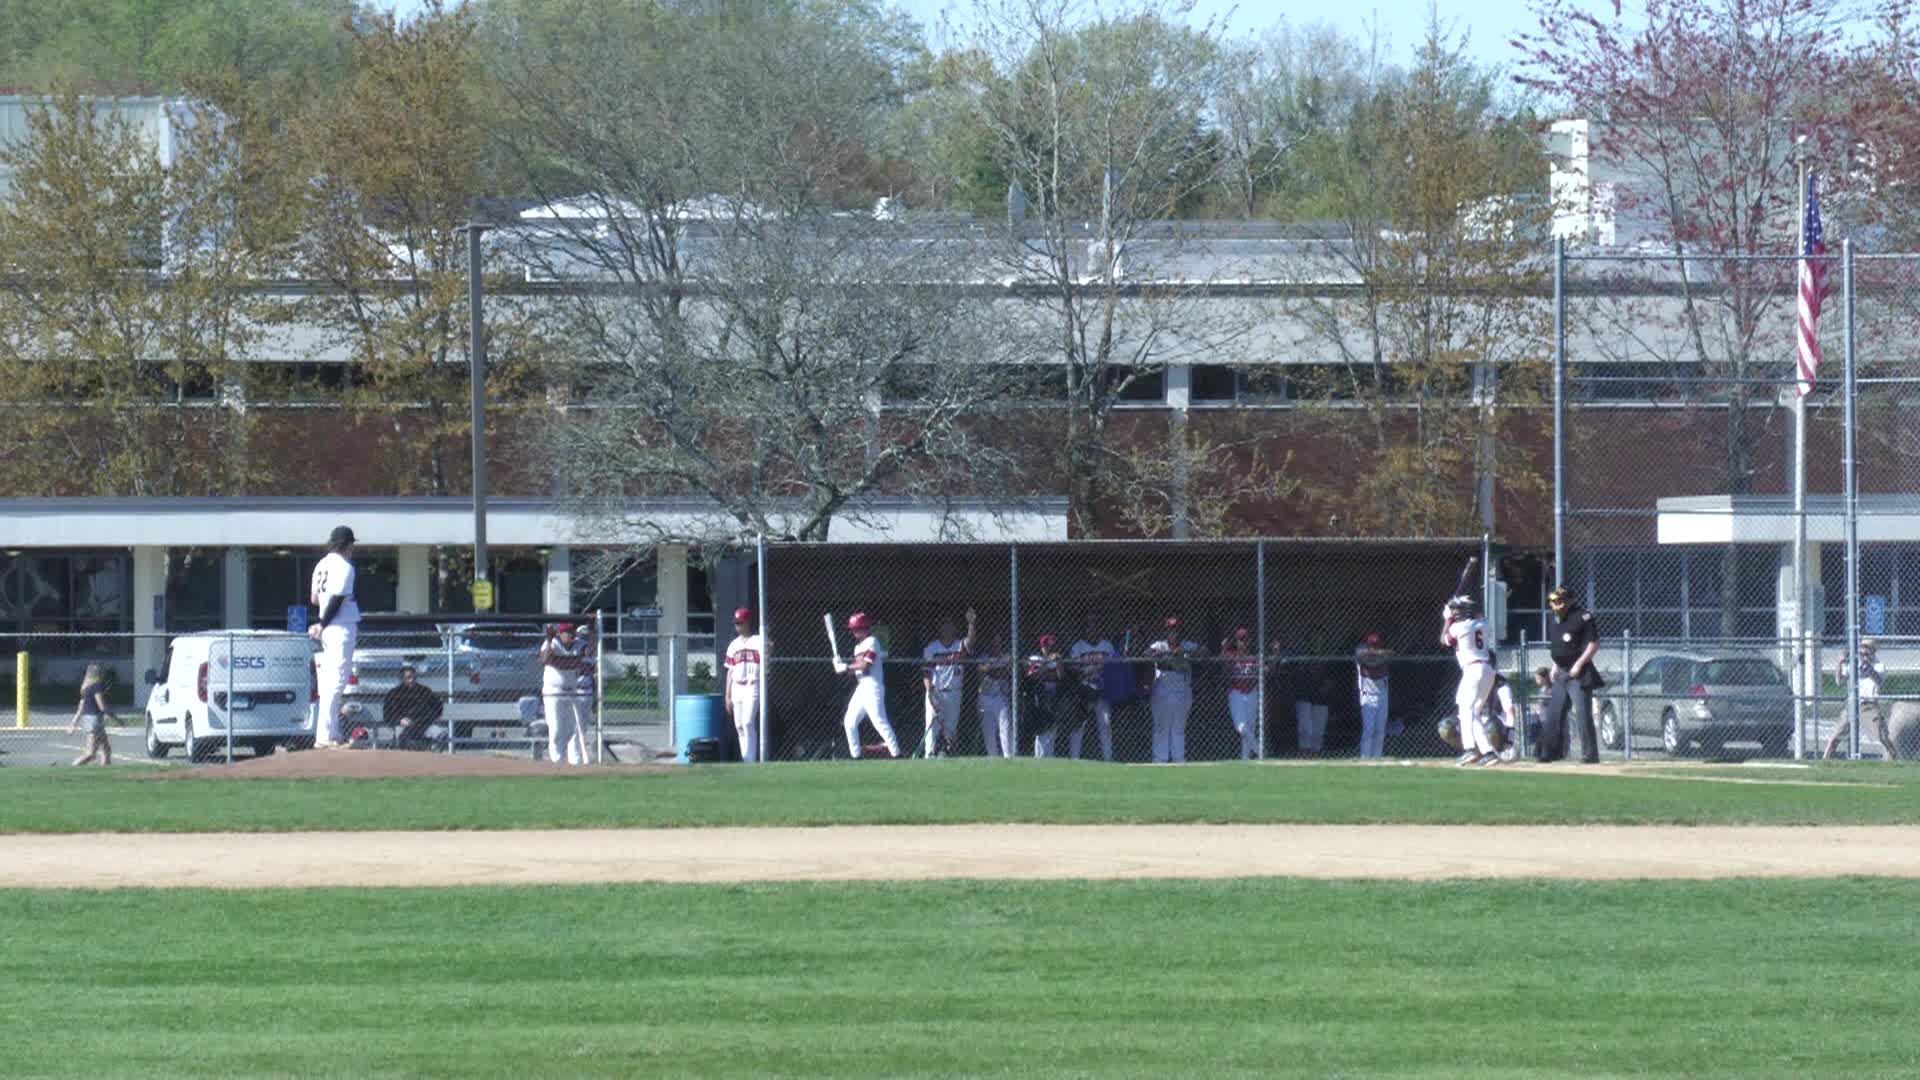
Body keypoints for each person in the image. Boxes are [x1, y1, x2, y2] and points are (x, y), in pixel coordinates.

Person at [306, 525, 360, 748]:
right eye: (351, 545)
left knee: (330, 683)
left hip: (329, 630)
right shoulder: (345, 566)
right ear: (346, 545)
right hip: (339, 627)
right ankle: (326, 736)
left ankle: (329, 734)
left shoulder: (321, 565)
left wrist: (322, 624)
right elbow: (337, 600)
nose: (352, 549)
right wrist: (322, 623)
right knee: (336, 683)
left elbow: (315, 600)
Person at [1543, 586, 1603, 764]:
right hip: (1560, 671)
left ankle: (1589, 754)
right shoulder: (1553, 620)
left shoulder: (1583, 617)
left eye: (1560, 601)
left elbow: (1593, 644)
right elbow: (1560, 648)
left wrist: (1578, 664)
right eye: (1554, 602)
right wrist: (1554, 666)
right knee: (1555, 714)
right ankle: (1553, 752)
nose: (1556, 605)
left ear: (1570, 600)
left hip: (1579, 672)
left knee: (1583, 714)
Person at [1442, 595, 1499, 766]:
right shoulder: (1484, 623)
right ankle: (1488, 752)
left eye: (1459, 610)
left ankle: (1469, 750)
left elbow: (1444, 640)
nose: (1455, 612)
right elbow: (1477, 612)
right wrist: (1460, 605)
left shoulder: (1459, 627)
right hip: (1487, 670)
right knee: (1473, 712)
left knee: (1465, 710)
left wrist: (1447, 619)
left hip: (1473, 670)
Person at [837, 612, 901, 758]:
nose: (853, 631)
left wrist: (847, 667)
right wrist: (840, 666)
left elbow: (866, 664)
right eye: (853, 628)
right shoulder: (856, 647)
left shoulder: (873, 641)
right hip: (861, 687)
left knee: (879, 721)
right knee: (849, 721)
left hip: (873, 686)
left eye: (857, 628)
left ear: (865, 628)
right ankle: (856, 756)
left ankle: (897, 754)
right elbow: (855, 670)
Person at [1827, 638, 1897, 760]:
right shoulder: (1854, 665)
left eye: (1866, 652)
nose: (1863, 655)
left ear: (1873, 652)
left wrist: (1867, 665)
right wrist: (1840, 662)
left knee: (1882, 736)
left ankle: (1894, 756)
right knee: (1835, 737)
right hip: (1852, 704)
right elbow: (1839, 681)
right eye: (1861, 652)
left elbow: (1878, 680)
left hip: (1869, 705)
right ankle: (1824, 762)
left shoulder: (1879, 666)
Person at [1147, 617, 1204, 763]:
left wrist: (1184, 652)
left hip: (1182, 691)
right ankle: (1160, 761)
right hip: (1162, 691)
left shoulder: (1187, 645)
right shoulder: (1160, 644)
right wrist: (1168, 655)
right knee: (1161, 728)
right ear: (1166, 631)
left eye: (1176, 630)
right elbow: (1147, 653)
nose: (1174, 633)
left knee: (1178, 729)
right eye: (1170, 629)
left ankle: (1179, 761)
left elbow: (1204, 651)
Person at [921, 609, 975, 758]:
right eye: (944, 624)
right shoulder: (931, 648)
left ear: (954, 628)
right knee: (932, 728)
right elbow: (926, 673)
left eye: (950, 625)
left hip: (954, 693)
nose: (947, 628)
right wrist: (930, 693)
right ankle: (928, 756)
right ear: (939, 628)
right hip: (936, 692)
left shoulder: (959, 645)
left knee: (950, 730)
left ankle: (948, 755)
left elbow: (970, 642)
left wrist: (971, 623)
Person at [539, 622, 590, 765]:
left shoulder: (579, 643)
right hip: (553, 691)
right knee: (556, 729)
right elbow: (545, 659)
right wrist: (549, 640)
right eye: (566, 632)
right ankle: (557, 761)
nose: (570, 635)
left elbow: (584, 657)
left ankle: (575, 761)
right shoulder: (552, 643)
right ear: (559, 633)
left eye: (571, 631)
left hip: (572, 690)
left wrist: (560, 661)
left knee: (574, 728)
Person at [1068, 615, 1117, 760]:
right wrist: (1084, 672)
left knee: (1105, 724)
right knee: (1079, 726)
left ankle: (1108, 759)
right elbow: (1071, 667)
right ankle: (1074, 759)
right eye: (1089, 627)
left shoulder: (1107, 645)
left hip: (1102, 690)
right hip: (1084, 690)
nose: (1092, 629)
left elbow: (1115, 667)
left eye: (1095, 626)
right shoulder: (1078, 646)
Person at [1221, 628, 1272, 760]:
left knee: (1249, 728)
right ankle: (1260, 751)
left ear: (1249, 641)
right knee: (1241, 727)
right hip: (1236, 693)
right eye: (1240, 640)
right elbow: (1224, 670)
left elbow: (1267, 669)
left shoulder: (1254, 657)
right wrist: (1223, 650)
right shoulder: (1231, 656)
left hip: (1252, 693)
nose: (1243, 642)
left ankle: (1245, 759)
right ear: (1236, 641)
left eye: (1245, 640)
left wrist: (1275, 655)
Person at [723, 607, 765, 763]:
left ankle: (750, 760)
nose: (737, 626)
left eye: (740, 623)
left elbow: (768, 653)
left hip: (752, 684)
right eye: (736, 623)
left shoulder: (758, 640)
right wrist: (727, 695)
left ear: (747, 623)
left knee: (748, 722)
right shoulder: (733, 645)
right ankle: (745, 759)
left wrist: (769, 646)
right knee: (739, 725)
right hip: (736, 687)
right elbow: (730, 671)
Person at [1025, 633, 1069, 756]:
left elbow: (1060, 676)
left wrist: (1058, 663)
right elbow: (1032, 676)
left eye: (1050, 645)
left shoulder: (1056, 658)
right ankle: (1040, 757)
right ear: (1041, 646)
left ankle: (1047, 757)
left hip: (1053, 696)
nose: (1048, 648)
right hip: (1039, 697)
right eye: (1046, 645)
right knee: (1041, 729)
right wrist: (1048, 664)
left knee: (1052, 729)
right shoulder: (1034, 658)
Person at [381, 665, 444, 749]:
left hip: (424, 725)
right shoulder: (394, 694)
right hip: (403, 727)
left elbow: (438, 706)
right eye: (408, 678)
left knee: (441, 734)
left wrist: (433, 718)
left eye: (414, 677)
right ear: (402, 679)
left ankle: (433, 757)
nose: (412, 680)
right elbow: (387, 715)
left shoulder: (424, 691)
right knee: (401, 736)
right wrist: (400, 720)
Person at [1354, 631, 1393, 759]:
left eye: (1377, 646)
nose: (1375, 648)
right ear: (1368, 644)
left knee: (1380, 730)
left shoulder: (1383, 655)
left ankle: (1377, 757)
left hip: (1382, 695)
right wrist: (1375, 652)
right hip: (1368, 695)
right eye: (1372, 645)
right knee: (1369, 729)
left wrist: (1378, 652)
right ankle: (1365, 758)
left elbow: (1389, 653)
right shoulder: (1362, 654)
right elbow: (1361, 655)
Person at [975, 633, 1014, 758]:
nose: (996, 646)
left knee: (1005, 728)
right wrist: (991, 670)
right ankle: (993, 758)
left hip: (1001, 697)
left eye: (998, 643)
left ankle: (1008, 756)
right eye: (994, 643)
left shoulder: (1007, 657)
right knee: (988, 732)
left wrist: (989, 670)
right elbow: (980, 673)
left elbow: (1004, 673)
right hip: (985, 697)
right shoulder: (983, 657)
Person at [67, 664, 115, 765]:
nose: (102, 675)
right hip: (95, 721)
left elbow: (81, 708)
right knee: (91, 753)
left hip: (90, 720)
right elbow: (102, 707)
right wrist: (115, 718)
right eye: (101, 673)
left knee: (106, 750)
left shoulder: (86, 688)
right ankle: (73, 766)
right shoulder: (96, 687)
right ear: (97, 675)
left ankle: (106, 774)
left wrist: (73, 723)